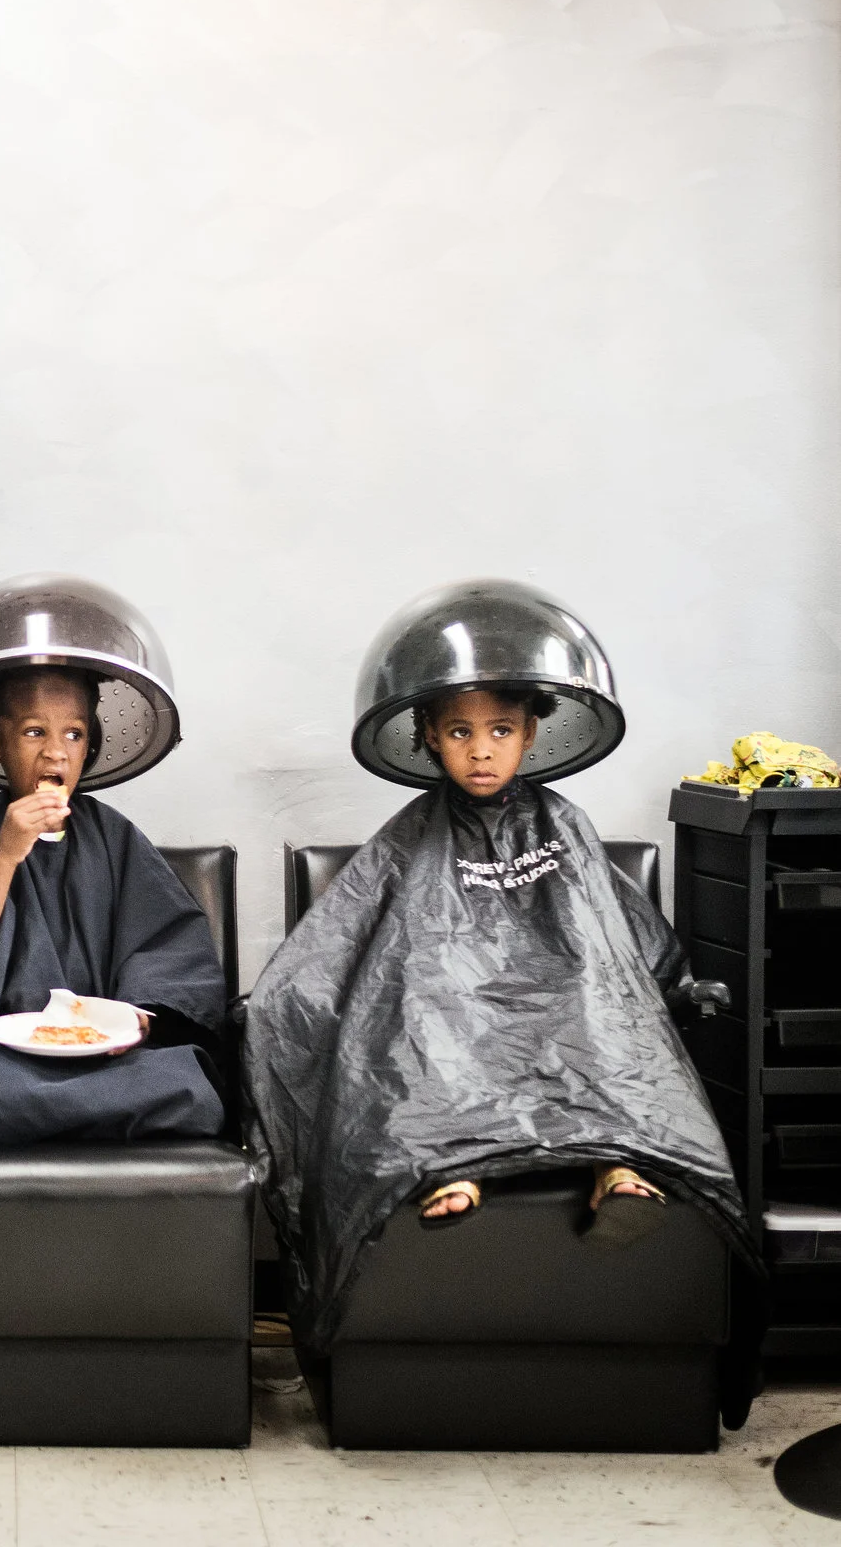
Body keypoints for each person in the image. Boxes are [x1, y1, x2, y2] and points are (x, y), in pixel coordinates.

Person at [245, 580, 753, 1409]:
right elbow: (348, 948)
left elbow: (620, 943)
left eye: (501, 731)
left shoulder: (568, 829)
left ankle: (615, 1169)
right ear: (429, 740)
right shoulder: (408, 840)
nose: (481, 750)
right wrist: (280, 1008)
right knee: (428, 1021)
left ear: (532, 734)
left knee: (604, 1016)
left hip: (568, 1017)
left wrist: (673, 983)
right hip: (453, 1021)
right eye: (459, 732)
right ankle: (460, 1163)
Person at [0, 663, 228, 1143]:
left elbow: (167, 944)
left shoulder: (116, 839)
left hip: (110, 1054)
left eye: (73, 733)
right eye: (33, 731)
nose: (55, 751)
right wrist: (4, 856)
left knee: (188, 1090)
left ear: (89, 747)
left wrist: (135, 1020)